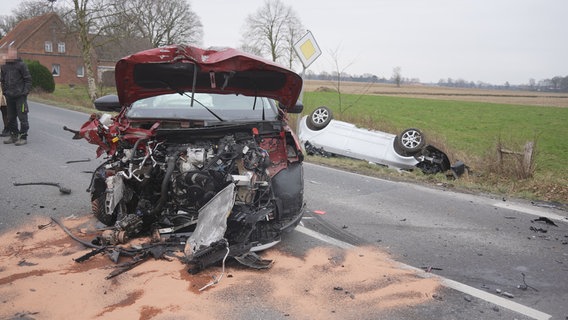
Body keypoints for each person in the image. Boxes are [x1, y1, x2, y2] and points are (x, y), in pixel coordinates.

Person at [0, 47, 32, 146]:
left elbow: (28, 79)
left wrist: (25, 92)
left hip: (20, 96)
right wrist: (5, 91)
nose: (11, 55)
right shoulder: (4, 66)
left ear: (16, 54)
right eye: (10, 53)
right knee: (10, 117)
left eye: (13, 53)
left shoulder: (21, 65)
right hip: (9, 96)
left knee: (22, 116)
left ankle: (23, 137)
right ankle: (14, 135)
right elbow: (3, 80)